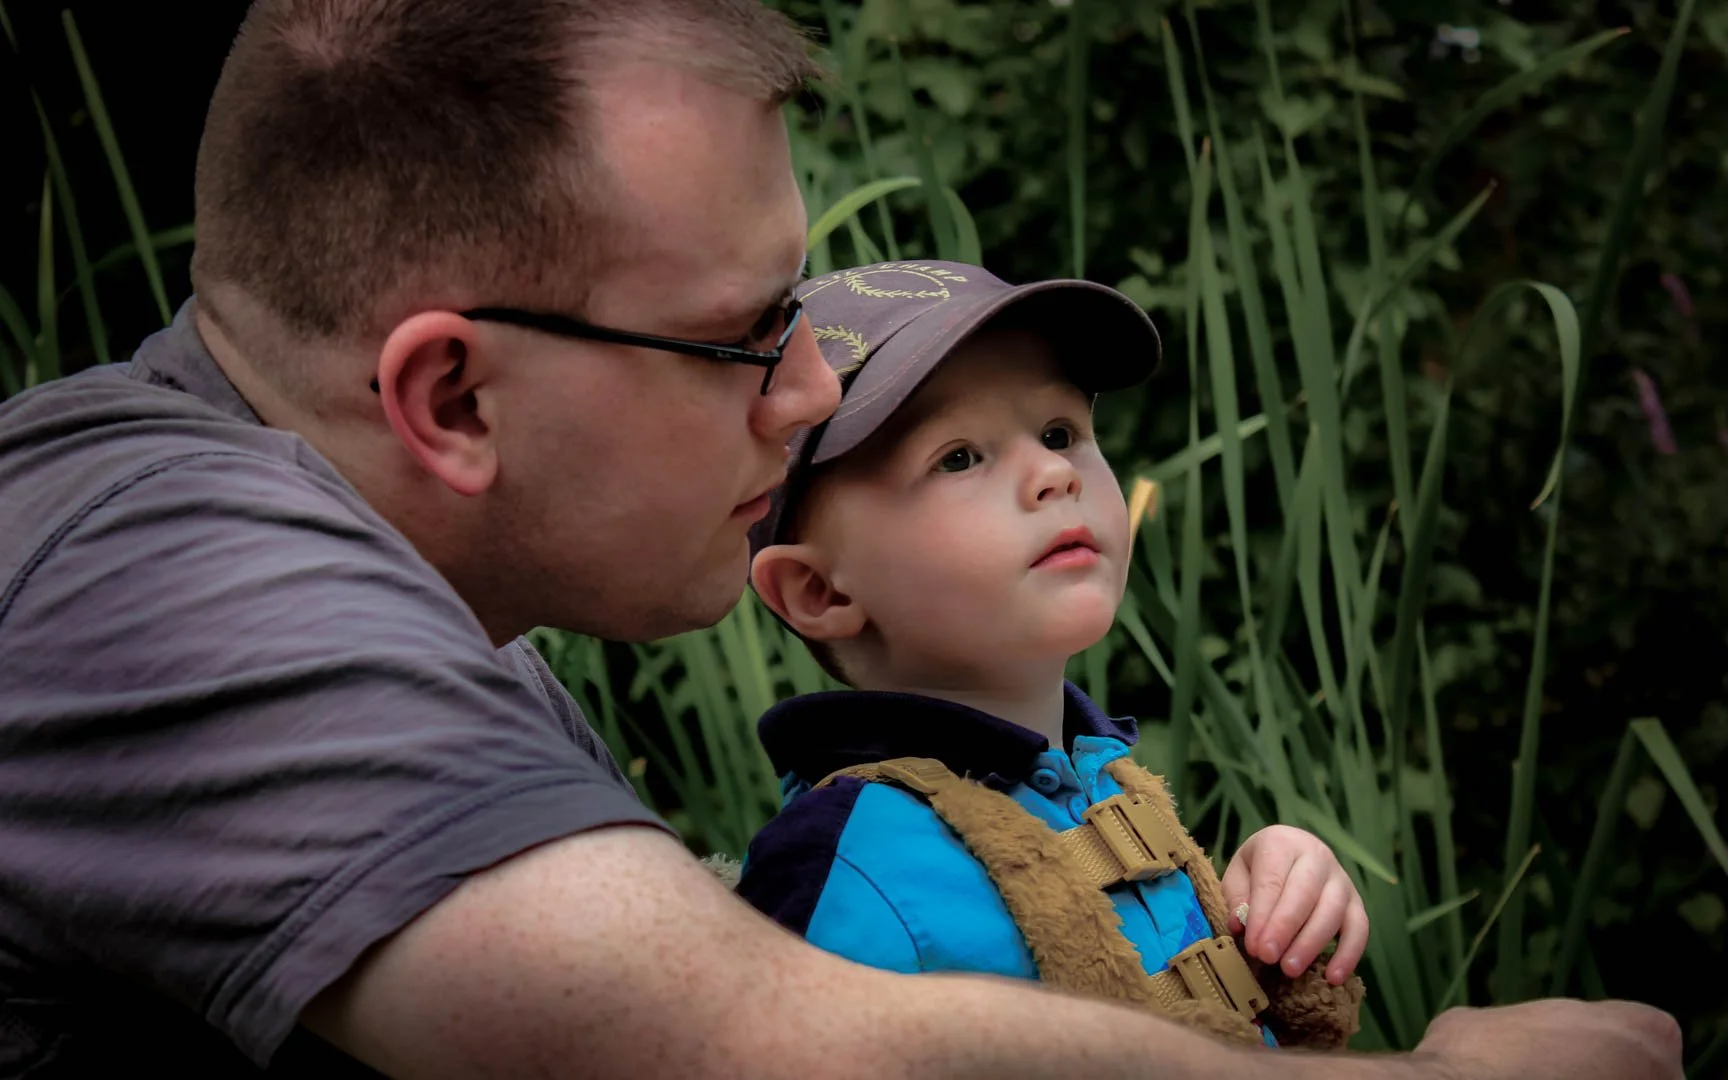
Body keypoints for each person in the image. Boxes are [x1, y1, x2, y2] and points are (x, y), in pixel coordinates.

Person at [0, 1, 1685, 1077]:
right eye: (747, 332)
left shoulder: (428, 625)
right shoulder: (159, 568)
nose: (810, 390)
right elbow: (757, 1046)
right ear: (450, 396)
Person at [737, 260, 1366, 1051]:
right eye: (959, 456)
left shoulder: (1107, 786)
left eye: (1061, 432)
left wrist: (1270, 904)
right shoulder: (839, 868)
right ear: (820, 591)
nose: (1054, 473)